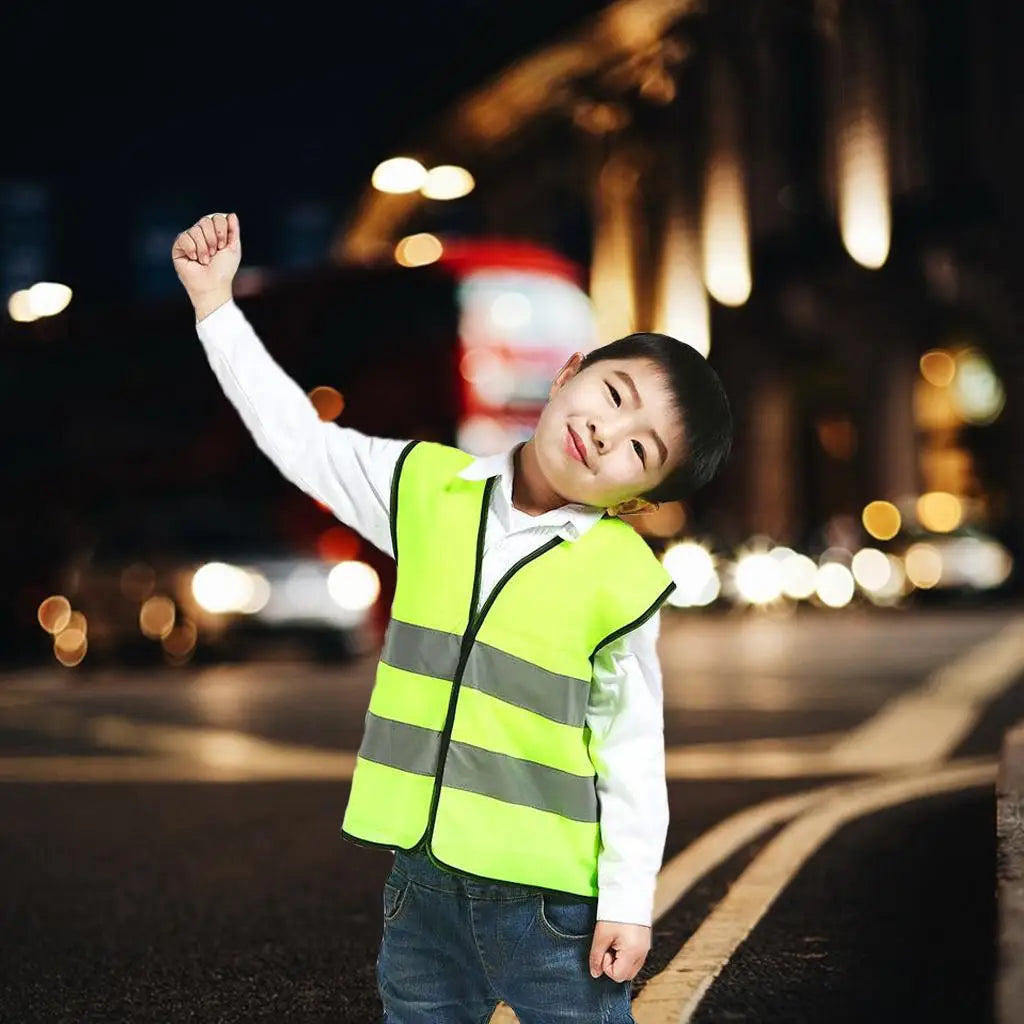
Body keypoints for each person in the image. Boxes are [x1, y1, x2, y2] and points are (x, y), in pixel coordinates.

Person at [171, 212, 733, 1024]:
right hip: (421, 882)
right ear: (570, 370)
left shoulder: (620, 580)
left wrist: (628, 903)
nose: (606, 433)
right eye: (613, 396)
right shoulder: (424, 488)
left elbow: (632, 754)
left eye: (640, 450)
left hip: (551, 905)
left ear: (637, 497)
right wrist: (216, 307)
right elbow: (296, 438)